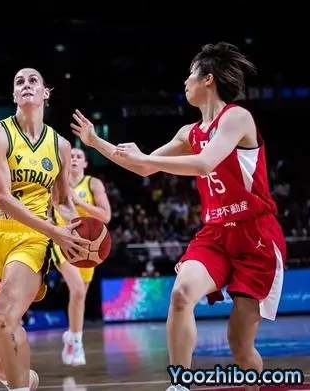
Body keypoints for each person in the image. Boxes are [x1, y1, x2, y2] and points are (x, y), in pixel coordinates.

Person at [71, 43, 285, 391]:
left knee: (240, 347)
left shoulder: (237, 117)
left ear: (208, 79)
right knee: (182, 293)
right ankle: (180, 384)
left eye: (190, 75)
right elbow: (142, 166)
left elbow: (205, 163)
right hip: (216, 233)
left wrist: (148, 159)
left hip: (256, 236)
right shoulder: (188, 133)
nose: (185, 82)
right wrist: (96, 142)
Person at [0, 68, 90, 391]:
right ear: (13, 95)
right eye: (19, 82)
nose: (26, 85)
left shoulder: (60, 145)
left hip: (32, 238)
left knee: (6, 314)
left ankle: (19, 387)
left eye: (33, 80)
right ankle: (26, 380)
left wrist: (76, 229)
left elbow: (62, 200)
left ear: (45, 93)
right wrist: (54, 230)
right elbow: (3, 198)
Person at [51, 147, 111, 366]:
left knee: (79, 297)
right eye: (71, 156)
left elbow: (106, 216)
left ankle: (72, 335)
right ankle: (77, 343)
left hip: (88, 246)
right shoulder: (56, 182)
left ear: (85, 163)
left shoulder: (93, 184)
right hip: (64, 241)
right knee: (76, 290)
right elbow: (49, 213)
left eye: (79, 157)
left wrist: (79, 201)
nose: (74, 159)